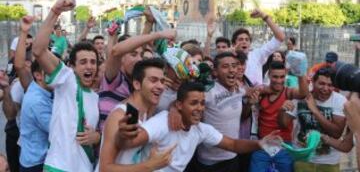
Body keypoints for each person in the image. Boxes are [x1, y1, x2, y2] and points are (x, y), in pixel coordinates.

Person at [116, 81, 281, 172]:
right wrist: (123, 134)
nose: (200, 108)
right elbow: (129, 143)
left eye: (202, 103)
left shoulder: (201, 129)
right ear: (179, 105)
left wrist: (260, 144)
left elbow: (233, 144)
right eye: (194, 103)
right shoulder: (163, 121)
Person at [32, 0, 100, 172]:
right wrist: (55, 11)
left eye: (93, 62)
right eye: (83, 62)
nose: (89, 66)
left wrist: (97, 137)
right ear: (72, 66)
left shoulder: (96, 97)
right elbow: (38, 50)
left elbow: (99, 132)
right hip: (58, 167)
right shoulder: (67, 80)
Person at [98, 58, 174, 171]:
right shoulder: (120, 115)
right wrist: (151, 165)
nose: (161, 86)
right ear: (137, 84)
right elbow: (104, 168)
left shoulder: (145, 111)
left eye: (162, 81)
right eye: (153, 80)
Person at [282, 68, 347, 172]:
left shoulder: (339, 100)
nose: (325, 88)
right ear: (313, 82)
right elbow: (283, 124)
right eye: (321, 83)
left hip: (329, 161)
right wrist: (283, 109)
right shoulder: (301, 97)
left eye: (330, 85)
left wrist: (315, 110)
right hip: (303, 159)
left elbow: (336, 133)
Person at [250, 61, 309, 172]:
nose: (279, 80)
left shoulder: (288, 92)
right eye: (275, 77)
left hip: (284, 144)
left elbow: (303, 93)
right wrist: (260, 90)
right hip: (263, 143)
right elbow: (248, 92)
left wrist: (301, 73)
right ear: (269, 76)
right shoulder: (262, 91)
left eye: (282, 77)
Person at [15, 16, 53, 171]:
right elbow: (57, 130)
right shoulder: (37, 99)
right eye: (50, 71)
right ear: (38, 75)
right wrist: (24, 32)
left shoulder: (38, 89)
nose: (55, 73)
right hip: (36, 164)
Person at [231, 9, 285, 85]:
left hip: (257, 95)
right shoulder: (228, 58)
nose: (244, 42)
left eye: (247, 40)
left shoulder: (257, 54)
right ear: (233, 44)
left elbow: (280, 37)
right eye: (240, 39)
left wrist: (264, 16)